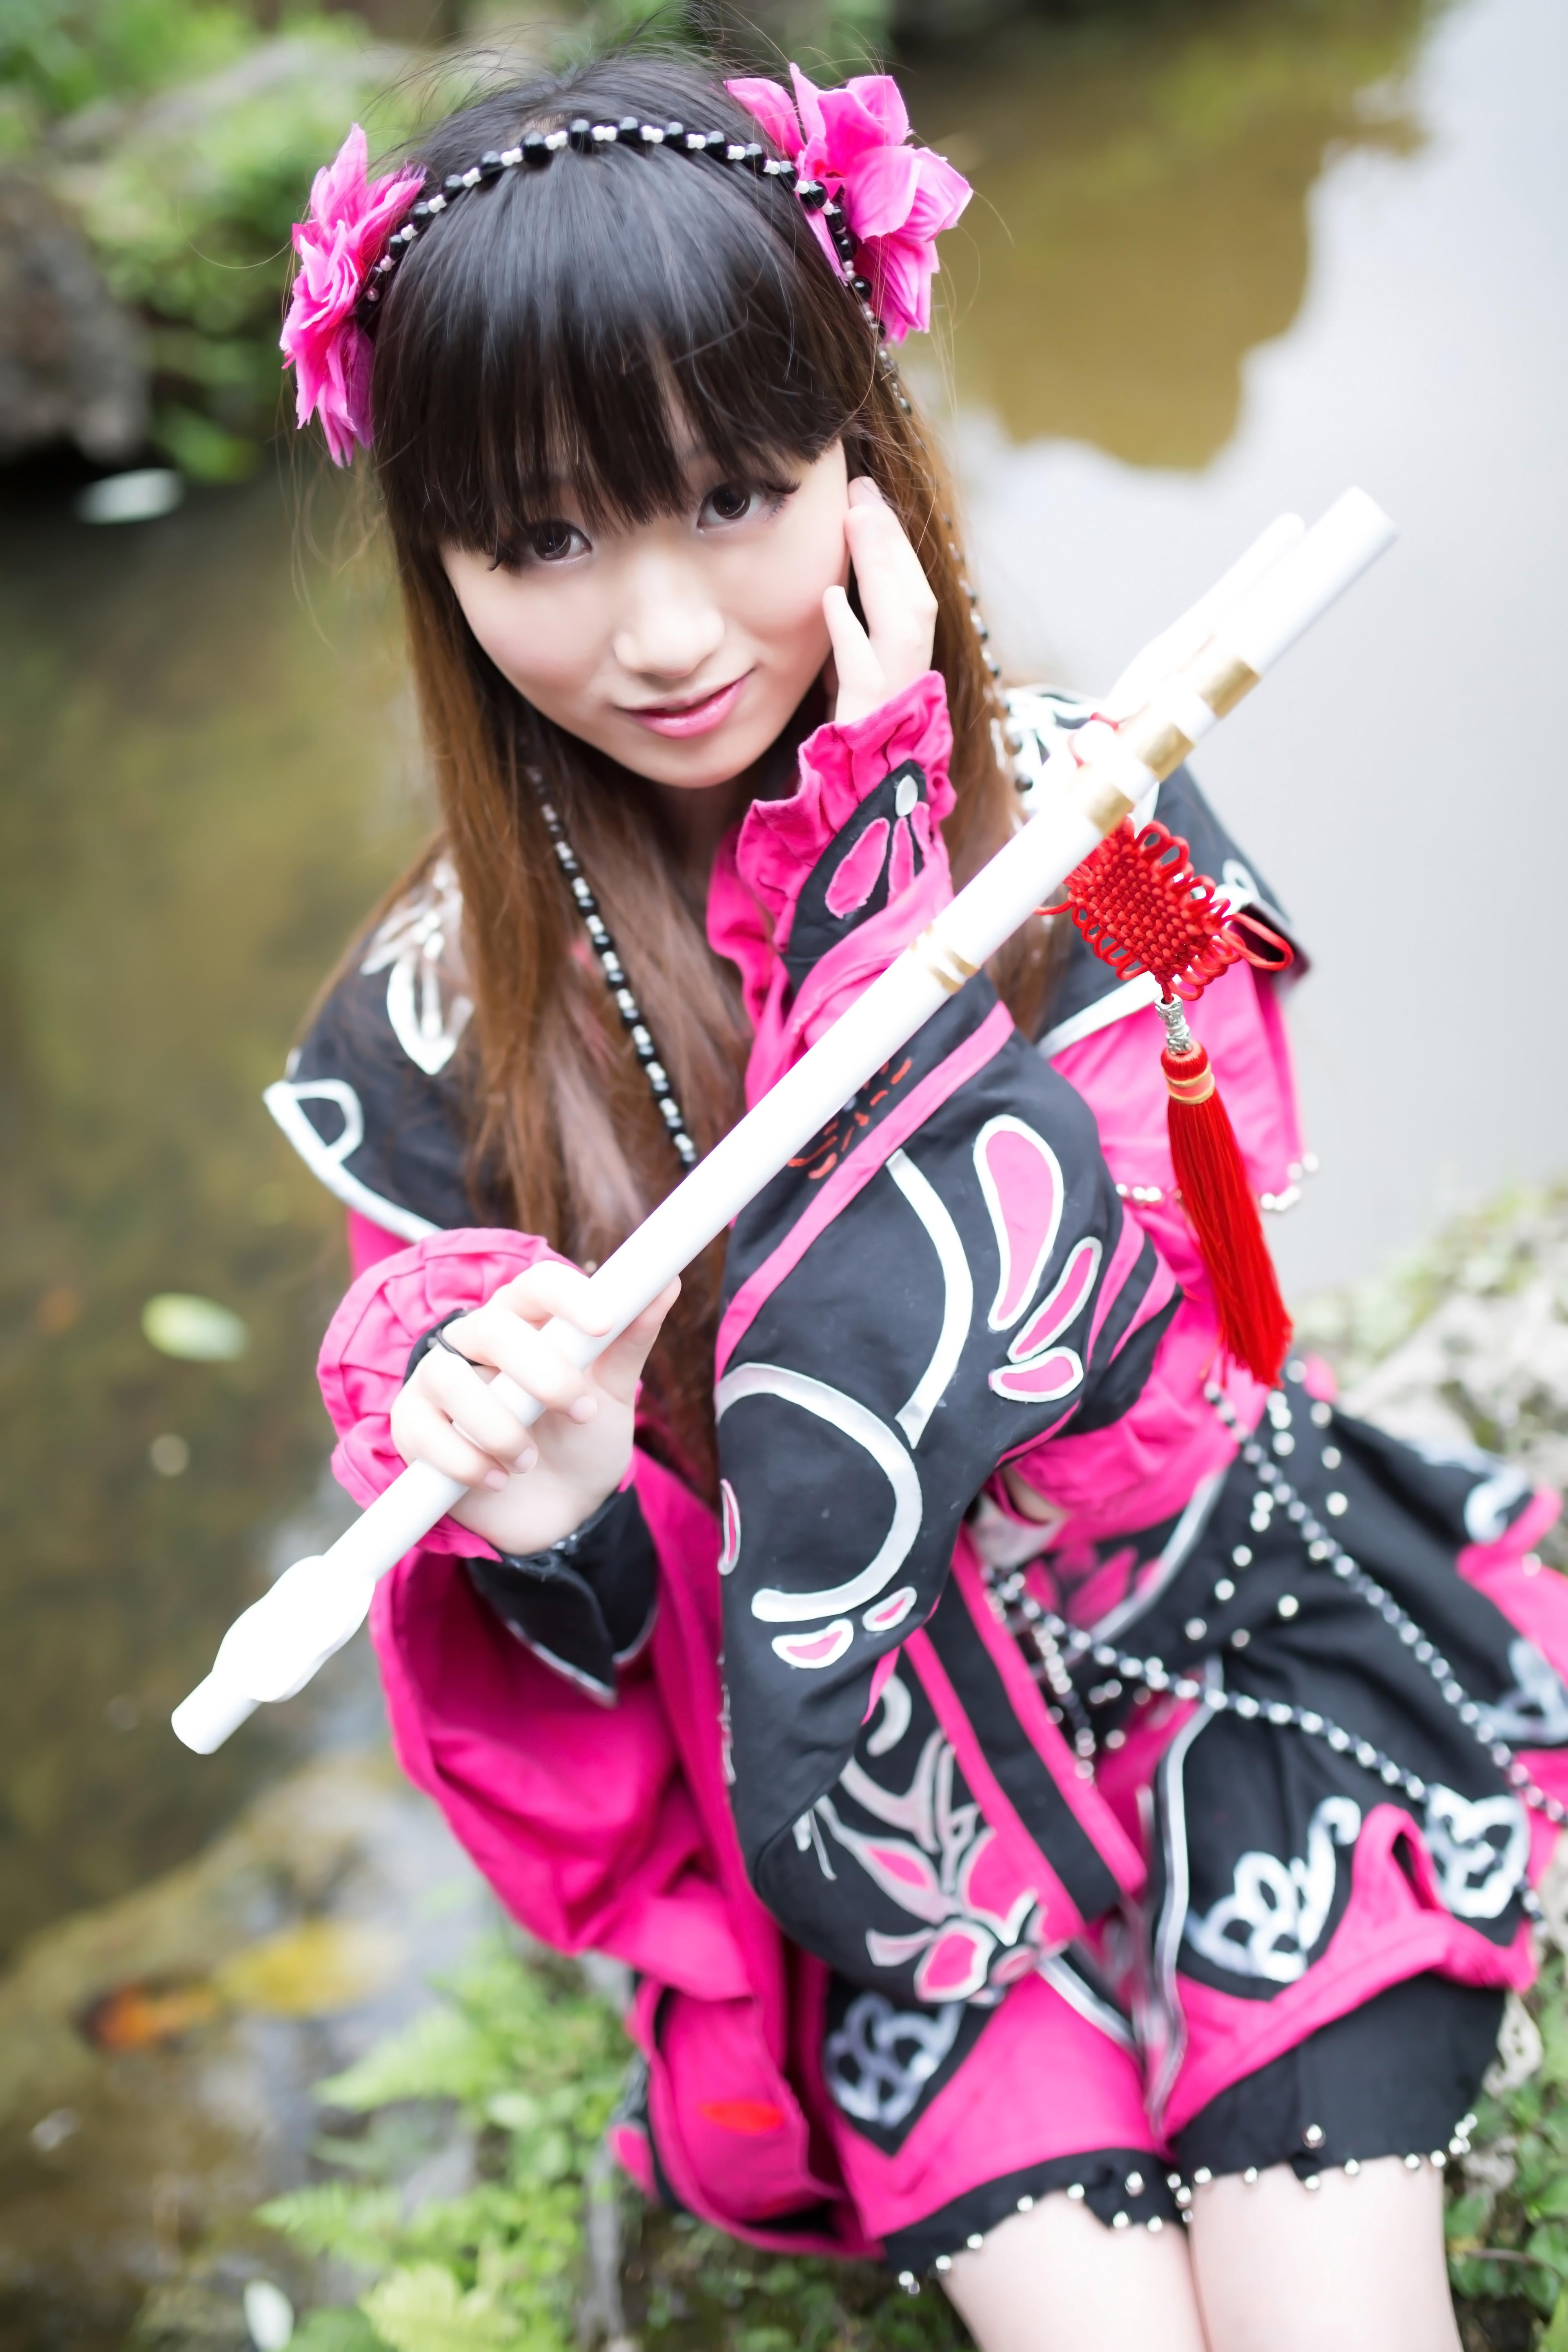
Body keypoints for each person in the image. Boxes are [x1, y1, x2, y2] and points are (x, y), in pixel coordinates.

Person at [268, 52, 1568, 2351]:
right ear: (437, 560)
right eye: (544, 540)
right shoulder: (432, 1026)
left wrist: (877, 870)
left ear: (863, 454)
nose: (665, 631)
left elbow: (1162, 1351)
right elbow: (603, 1649)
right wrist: (557, 1513)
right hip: (872, 1818)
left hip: (1221, 1648)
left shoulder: (1100, 811)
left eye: (735, 495)